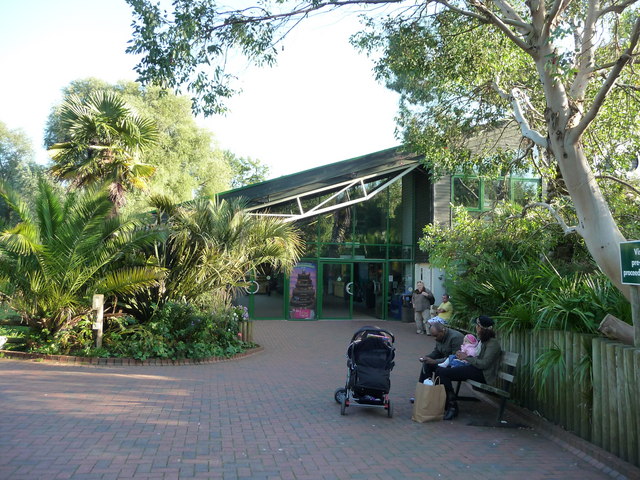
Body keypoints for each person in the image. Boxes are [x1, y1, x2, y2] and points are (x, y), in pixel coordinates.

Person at [435, 315, 502, 420]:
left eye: (478, 326)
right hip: (474, 368)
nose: (476, 328)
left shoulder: (493, 344)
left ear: (481, 328)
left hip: (482, 374)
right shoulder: (483, 341)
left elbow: (484, 364)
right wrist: (463, 356)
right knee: (440, 370)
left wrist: (466, 357)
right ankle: (446, 403)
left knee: (443, 372)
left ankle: (452, 406)